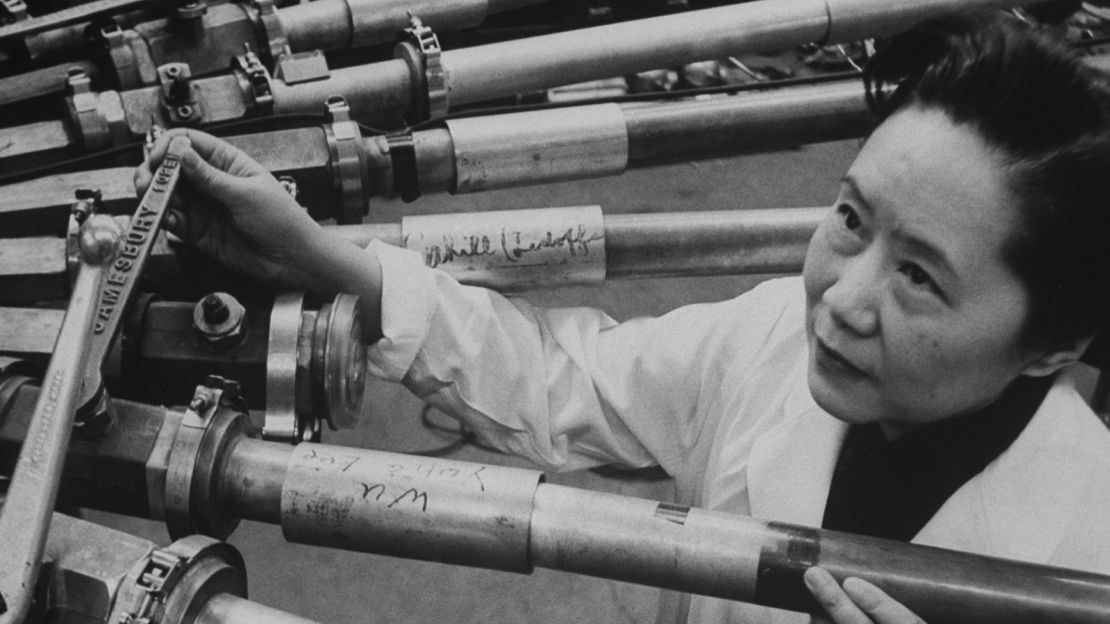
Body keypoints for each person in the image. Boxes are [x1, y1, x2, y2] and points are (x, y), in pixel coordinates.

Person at [135, 11, 1110, 624]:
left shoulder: (1087, 552)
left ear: (1053, 346)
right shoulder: (774, 335)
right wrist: (318, 255)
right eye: (851, 220)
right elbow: (567, 382)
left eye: (921, 278)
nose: (844, 299)